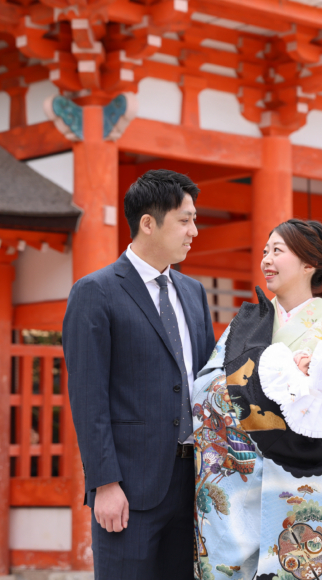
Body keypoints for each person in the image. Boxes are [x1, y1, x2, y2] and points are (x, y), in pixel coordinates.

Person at [192, 219, 322, 580]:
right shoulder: (247, 321)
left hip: (304, 466)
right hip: (239, 468)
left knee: (299, 558)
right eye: (264, 252)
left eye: (277, 251)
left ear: (309, 263)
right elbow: (207, 385)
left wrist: (311, 378)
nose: (266, 260)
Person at [63, 169, 216, 580]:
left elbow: (208, 382)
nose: (193, 231)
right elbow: (87, 395)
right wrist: (105, 483)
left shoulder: (193, 293)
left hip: (193, 484)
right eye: (185, 220)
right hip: (129, 488)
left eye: (194, 220)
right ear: (148, 223)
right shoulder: (95, 292)